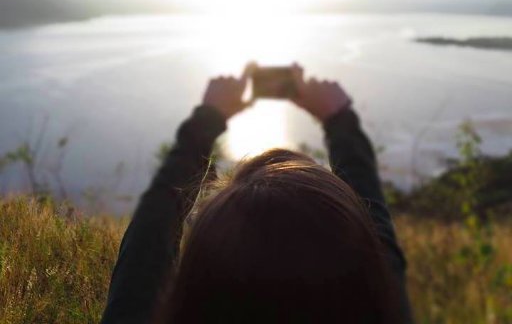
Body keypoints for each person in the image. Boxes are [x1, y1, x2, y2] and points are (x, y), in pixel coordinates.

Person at [100, 64, 413, 324]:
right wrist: (339, 119)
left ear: (191, 288)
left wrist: (208, 117)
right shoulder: (385, 305)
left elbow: (150, 236)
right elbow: (376, 227)